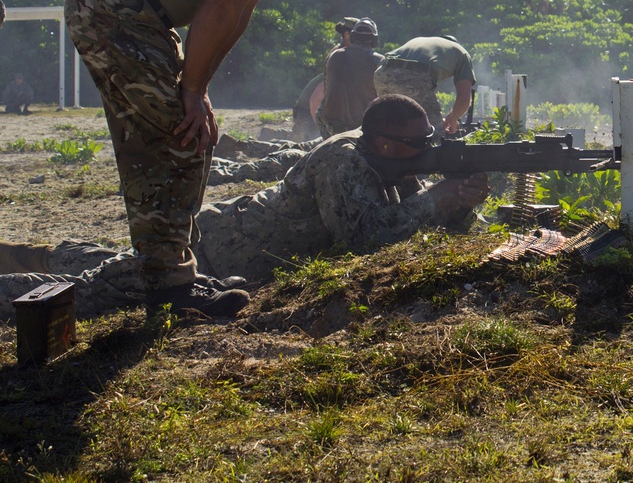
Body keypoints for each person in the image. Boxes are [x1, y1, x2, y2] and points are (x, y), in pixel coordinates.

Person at [62, 0, 367, 317]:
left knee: (183, 136)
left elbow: (237, 12)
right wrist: (191, 89)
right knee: (179, 137)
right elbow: (222, 4)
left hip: (128, 11)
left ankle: (171, 282)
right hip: (115, 6)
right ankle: (171, 289)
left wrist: (196, 88)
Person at [0, 95, 489, 321]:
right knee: (91, 293)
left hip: (220, 259)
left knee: (87, 261)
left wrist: (459, 205)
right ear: (383, 142)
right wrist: (438, 198)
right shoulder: (346, 161)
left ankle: (30, 252)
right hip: (210, 254)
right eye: (416, 143)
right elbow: (365, 237)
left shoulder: (392, 161)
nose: (425, 150)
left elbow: (411, 221)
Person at [373, 36, 475, 134]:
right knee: (431, 129)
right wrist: (453, 118)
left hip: (382, 73)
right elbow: (464, 98)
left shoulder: (423, 42)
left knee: (391, 122)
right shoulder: (462, 53)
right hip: (412, 76)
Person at [315, 17, 383, 138]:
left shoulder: (335, 56)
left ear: (352, 36)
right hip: (362, 128)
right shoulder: (378, 61)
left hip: (332, 126)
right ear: (374, 40)